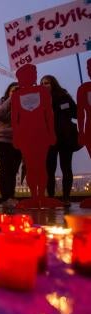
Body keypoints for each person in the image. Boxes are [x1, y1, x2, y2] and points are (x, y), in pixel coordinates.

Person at [11, 64, 58, 208]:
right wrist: (17, 137)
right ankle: (34, 196)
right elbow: (15, 119)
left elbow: (49, 114)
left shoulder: (42, 91)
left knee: (41, 165)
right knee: (31, 166)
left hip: (41, 134)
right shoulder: (17, 95)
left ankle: (42, 196)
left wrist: (51, 133)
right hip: (26, 136)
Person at [40, 75, 78, 207]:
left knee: (66, 167)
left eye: (48, 83)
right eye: (43, 83)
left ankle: (66, 197)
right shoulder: (40, 100)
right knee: (50, 169)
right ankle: (50, 197)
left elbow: (76, 113)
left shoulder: (63, 97)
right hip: (48, 138)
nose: (45, 86)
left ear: (53, 84)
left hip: (65, 137)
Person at [0, 82, 22, 208]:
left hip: (18, 141)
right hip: (2, 140)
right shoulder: (0, 104)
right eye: (13, 90)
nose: (16, 92)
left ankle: (11, 196)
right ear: (8, 92)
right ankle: (5, 198)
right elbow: (0, 114)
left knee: (13, 170)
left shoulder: (23, 104)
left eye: (18, 90)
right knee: (5, 169)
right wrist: (12, 99)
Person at [77, 57, 91, 208]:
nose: (88, 70)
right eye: (87, 68)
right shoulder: (84, 89)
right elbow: (80, 112)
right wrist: (81, 132)